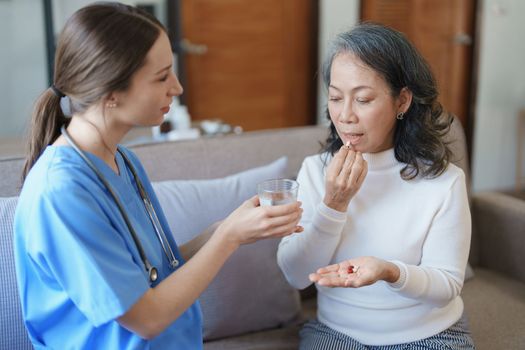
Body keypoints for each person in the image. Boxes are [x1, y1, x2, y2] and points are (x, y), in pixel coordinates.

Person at [13, 2, 302, 349]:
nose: (177, 88)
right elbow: (145, 318)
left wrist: (230, 226)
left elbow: (155, 267)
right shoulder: (60, 192)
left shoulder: (123, 161)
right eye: (162, 76)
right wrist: (228, 238)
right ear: (111, 92)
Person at [277, 23, 475, 349]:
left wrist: (390, 272)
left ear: (402, 101)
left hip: (429, 335)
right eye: (336, 98)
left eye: (364, 99)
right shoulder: (315, 172)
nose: (345, 116)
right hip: (336, 332)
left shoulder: (444, 181)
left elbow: (447, 284)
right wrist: (333, 206)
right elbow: (296, 276)